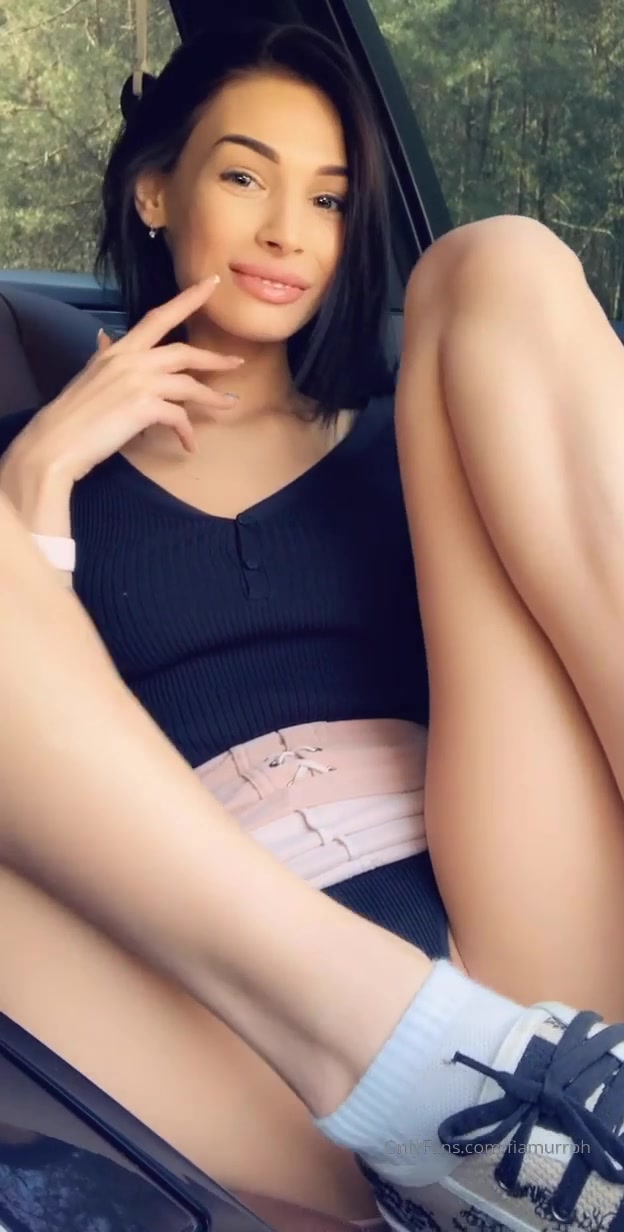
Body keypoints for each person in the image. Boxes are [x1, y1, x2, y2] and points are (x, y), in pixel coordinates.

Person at [2, 14, 624, 1230]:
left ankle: (473, 1075)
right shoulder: (39, 472)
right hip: (232, 1009)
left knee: (496, 260)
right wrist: (36, 477)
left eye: (331, 200)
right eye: (246, 176)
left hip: (518, 936)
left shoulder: (417, 438)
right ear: (154, 192)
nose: (291, 230)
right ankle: (429, 1072)